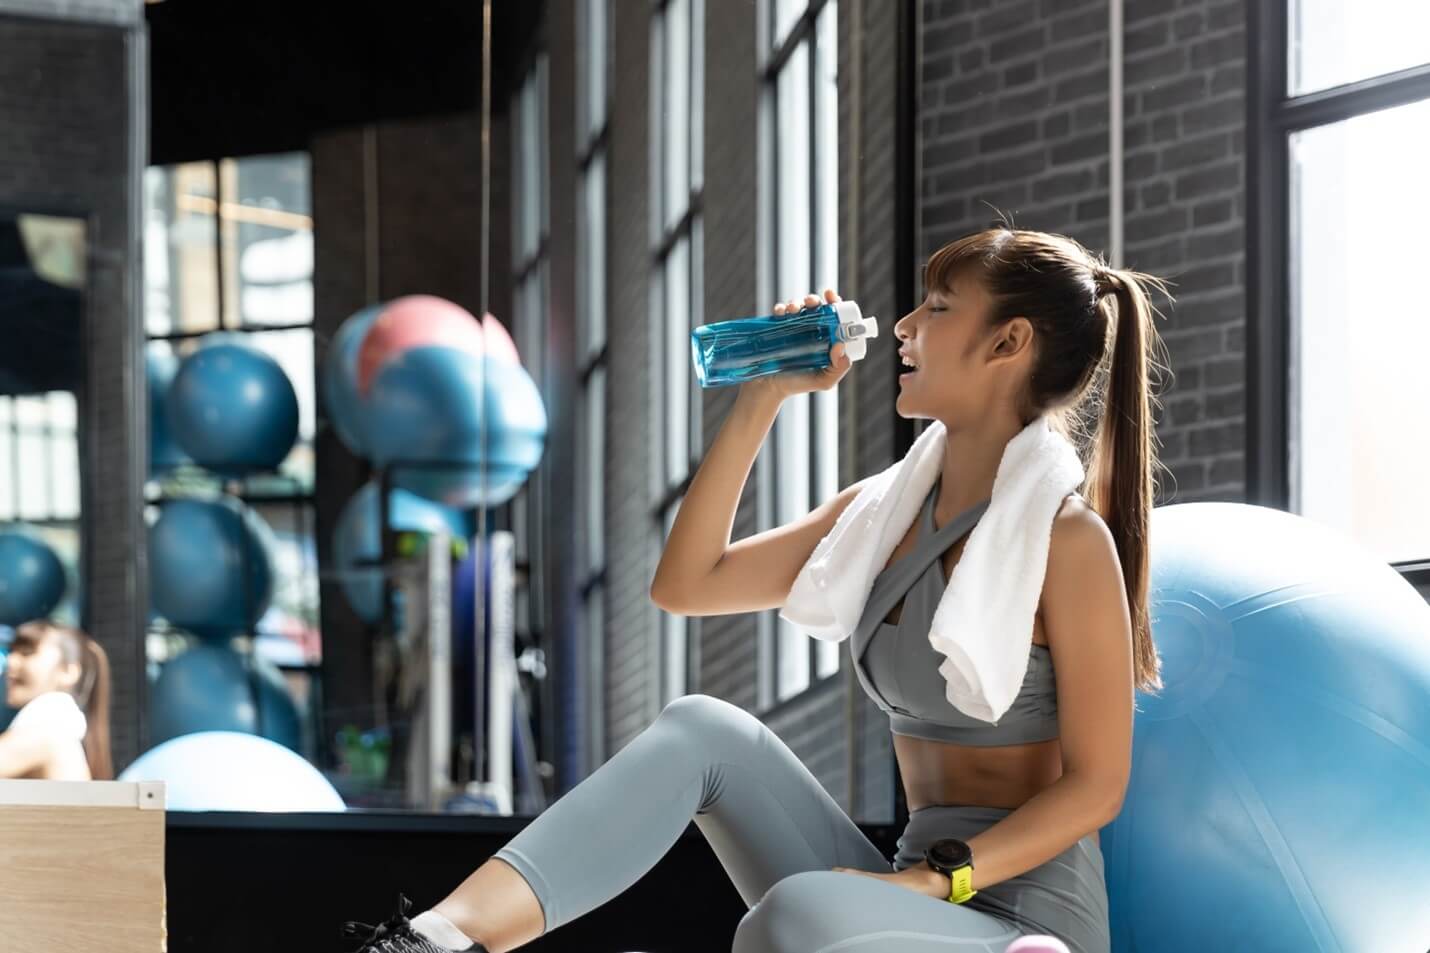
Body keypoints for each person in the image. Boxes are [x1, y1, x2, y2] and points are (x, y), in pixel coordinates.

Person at [338, 224, 1169, 953]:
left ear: (1007, 342)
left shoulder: (1066, 542)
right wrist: (763, 395)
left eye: (939, 308)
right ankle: (434, 938)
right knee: (705, 729)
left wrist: (931, 884)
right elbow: (686, 583)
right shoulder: (883, 516)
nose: (907, 327)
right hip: (897, 896)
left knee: (797, 914)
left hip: (1011, 918)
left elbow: (1096, 786)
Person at [0, 619, 113, 781]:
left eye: (27, 652)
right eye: (12, 652)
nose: (11, 662)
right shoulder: (57, 728)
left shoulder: (49, 731)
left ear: (68, 671)